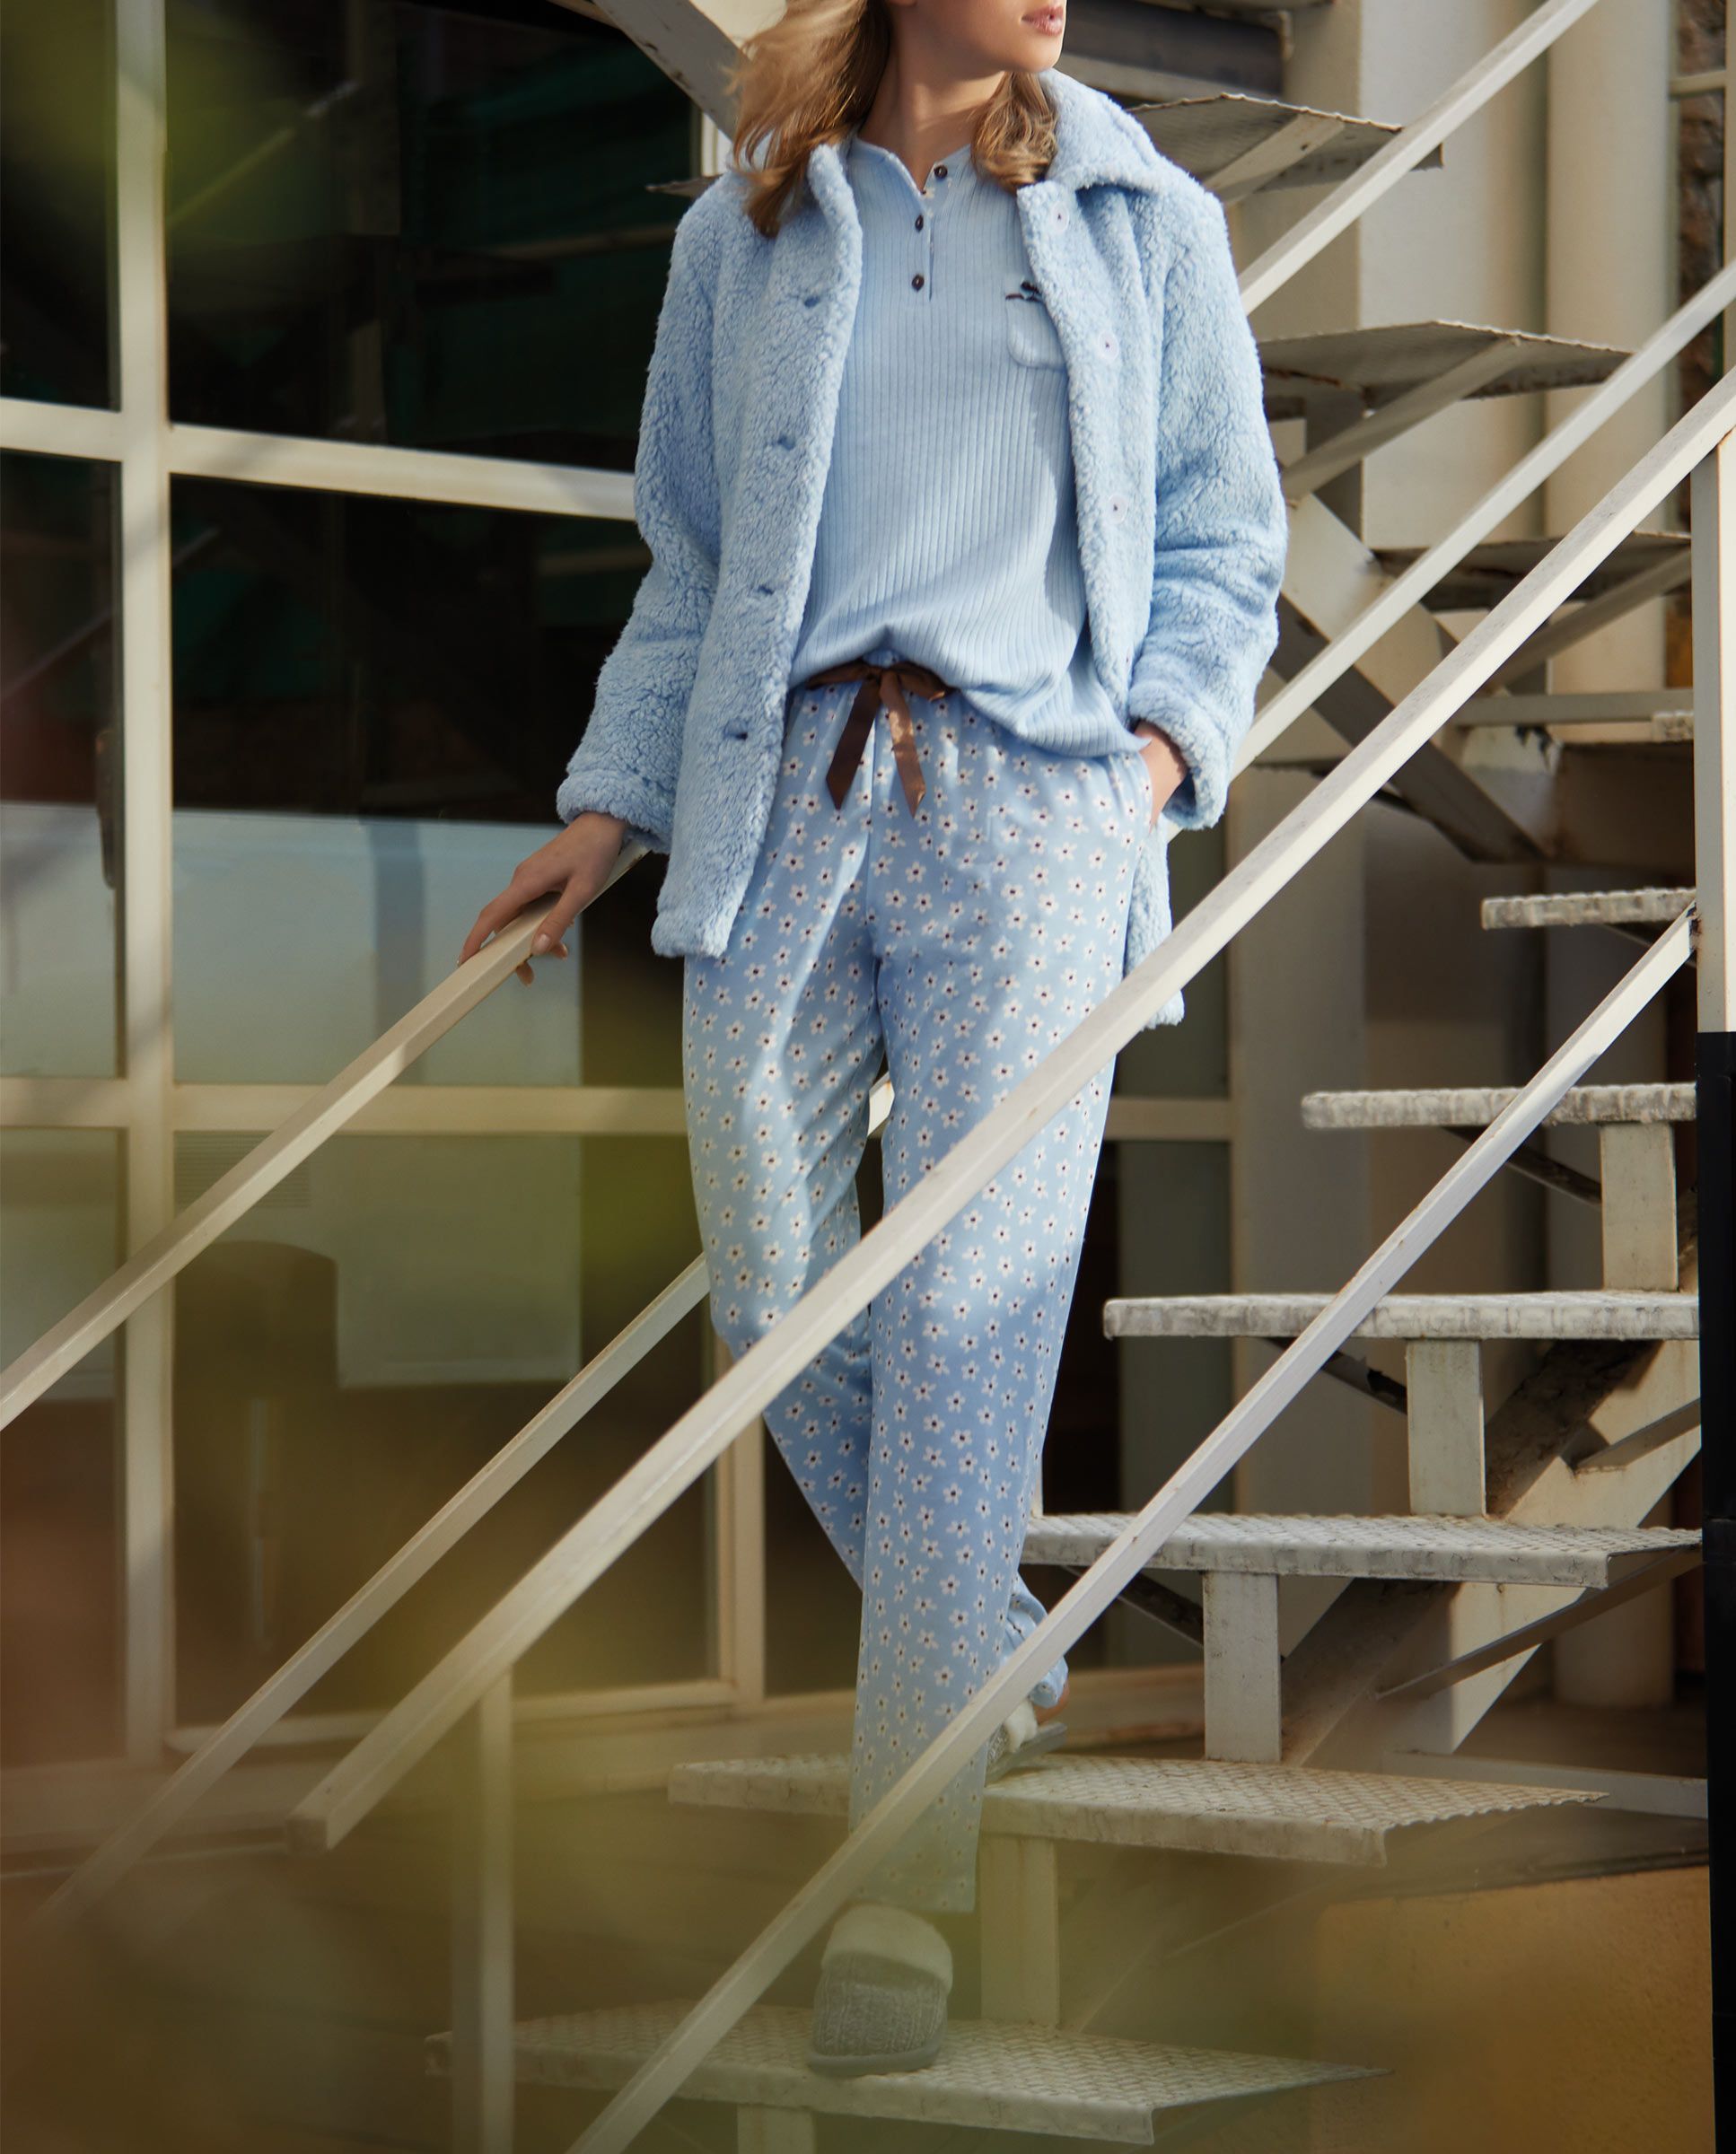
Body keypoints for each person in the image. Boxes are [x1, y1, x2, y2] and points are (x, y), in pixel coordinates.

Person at [460, 0, 1287, 2079]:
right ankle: (984, 1649)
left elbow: (1221, 531)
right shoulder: (737, 233)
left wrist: (1162, 746)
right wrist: (603, 807)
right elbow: (690, 562)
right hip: (788, 791)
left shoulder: (1140, 216)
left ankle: (894, 1892)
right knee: (765, 1276)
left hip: (1028, 808)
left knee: (971, 1336)